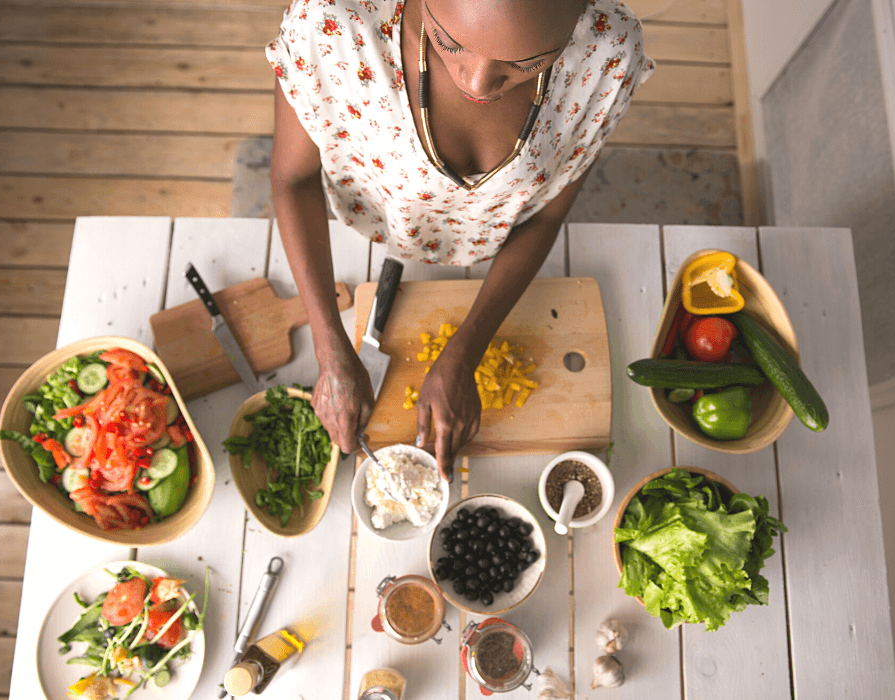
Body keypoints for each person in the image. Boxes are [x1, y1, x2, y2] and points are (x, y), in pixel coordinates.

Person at [267, 0, 654, 481]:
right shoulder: (331, 24)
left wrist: (466, 351)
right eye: (449, 42)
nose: (476, 83)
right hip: (363, 234)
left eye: (526, 63)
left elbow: (548, 215)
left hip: (501, 247)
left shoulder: (608, 52)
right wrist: (328, 348)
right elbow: (293, 182)